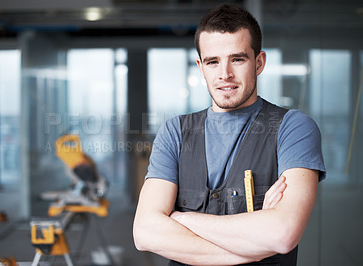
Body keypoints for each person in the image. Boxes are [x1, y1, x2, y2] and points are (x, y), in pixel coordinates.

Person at [133, 3, 326, 266]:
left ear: (259, 63)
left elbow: (282, 234)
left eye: (237, 59)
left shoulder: (293, 128)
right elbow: (145, 233)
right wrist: (256, 244)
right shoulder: (175, 132)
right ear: (201, 67)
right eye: (213, 62)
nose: (225, 74)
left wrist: (183, 219)